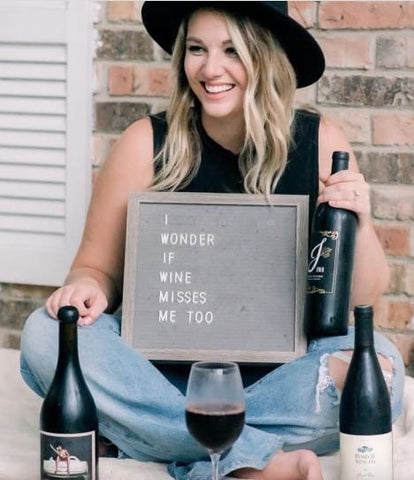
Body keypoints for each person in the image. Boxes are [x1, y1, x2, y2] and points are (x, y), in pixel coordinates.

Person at [21, 2, 404, 479]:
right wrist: (88, 288)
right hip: (157, 374)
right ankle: (248, 460)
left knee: (381, 368)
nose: (210, 68)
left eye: (232, 51)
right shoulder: (145, 142)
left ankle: (159, 437)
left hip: (280, 374)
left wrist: (359, 221)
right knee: (45, 334)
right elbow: (94, 269)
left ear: (264, 58)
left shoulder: (319, 140)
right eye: (197, 49)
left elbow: (361, 299)